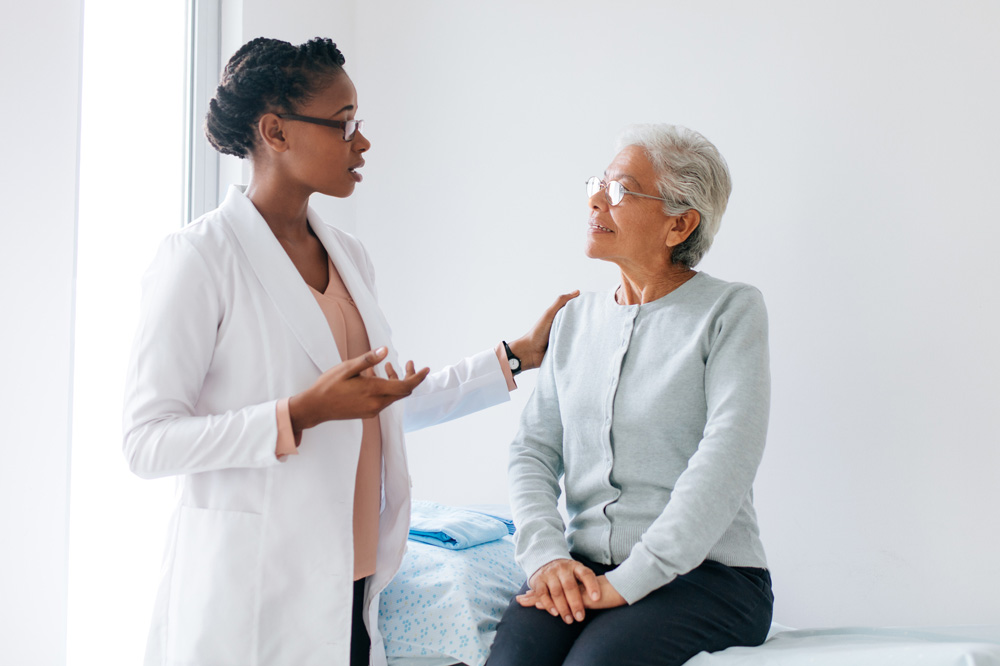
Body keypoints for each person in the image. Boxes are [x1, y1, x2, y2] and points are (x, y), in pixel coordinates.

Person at [122, 37, 575, 666]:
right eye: (343, 125)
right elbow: (146, 441)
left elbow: (378, 407)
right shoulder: (200, 258)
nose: (361, 143)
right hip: (252, 586)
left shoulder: (350, 256)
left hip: (353, 577)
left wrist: (515, 357)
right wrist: (297, 414)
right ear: (275, 132)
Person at [486, 124, 773, 666]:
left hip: (710, 578)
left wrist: (630, 582)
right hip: (586, 567)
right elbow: (532, 452)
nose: (595, 199)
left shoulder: (731, 312)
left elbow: (727, 457)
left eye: (619, 190)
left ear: (679, 224)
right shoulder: (573, 320)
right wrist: (546, 559)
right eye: (598, 183)